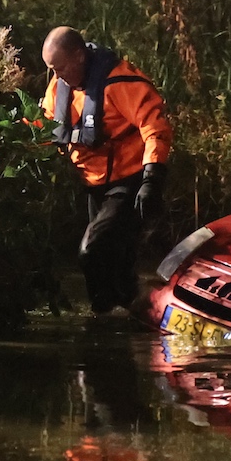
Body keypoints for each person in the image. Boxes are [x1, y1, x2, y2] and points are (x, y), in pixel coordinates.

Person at [41, 27, 175, 315]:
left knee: (91, 251)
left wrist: (152, 178)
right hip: (93, 184)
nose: (56, 75)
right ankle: (129, 319)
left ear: (78, 56)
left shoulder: (119, 82)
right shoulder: (58, 87)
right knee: (117, 262)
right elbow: (42, 127)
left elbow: (154, 127)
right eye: (52, 69)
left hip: (129, 183)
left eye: (59, 67)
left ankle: (102, 315)